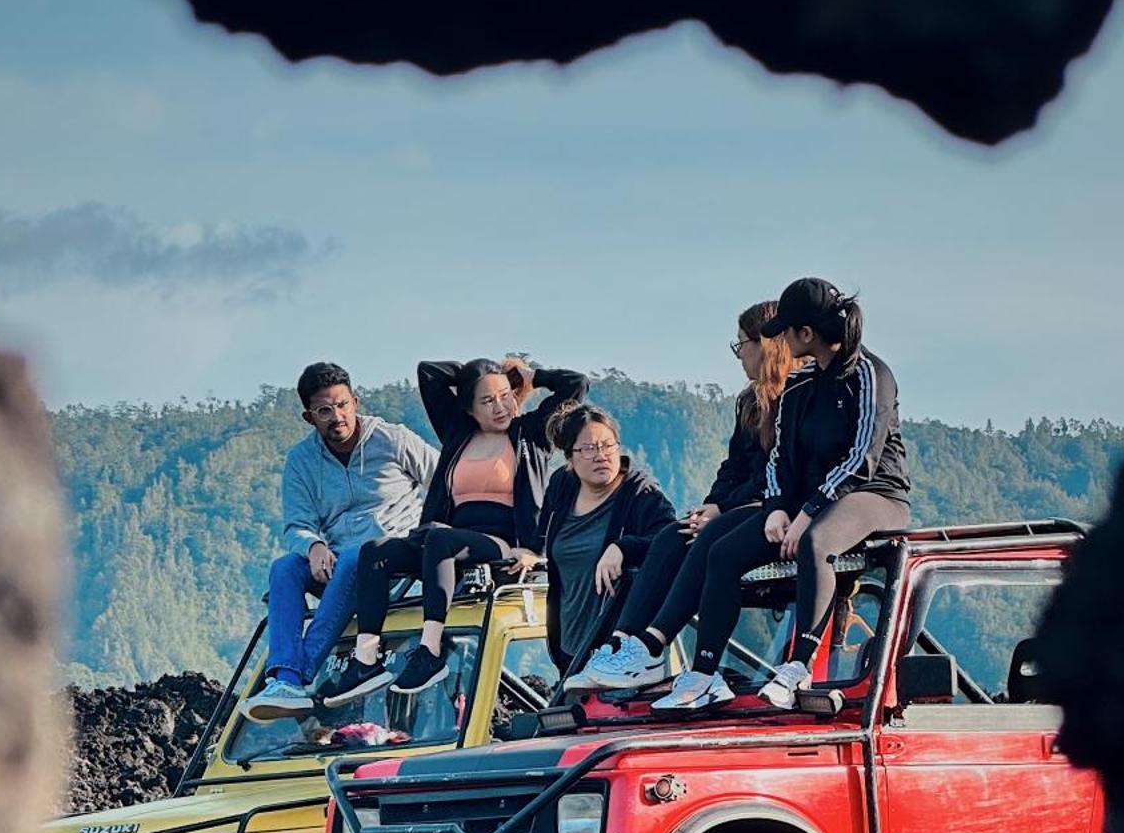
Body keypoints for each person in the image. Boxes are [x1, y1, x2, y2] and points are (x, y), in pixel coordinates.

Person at [648, 277, 911, 714]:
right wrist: (776, 509)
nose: (782, 342)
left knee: (817, 542)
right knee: (725, 552)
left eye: (786, 332)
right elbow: (780, 460)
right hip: (809, 501)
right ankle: (705, 674)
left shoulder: (871, 375)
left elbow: (862, 458)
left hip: (874, 494)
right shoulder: (800, 383)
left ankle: (798, 665)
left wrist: (807, 513)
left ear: (806, 334)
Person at [321, 354, 589, 705]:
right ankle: (366, 660)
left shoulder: (531, 433)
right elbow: (428, 372)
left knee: (438, 538)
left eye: (506, 395)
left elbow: (576, 384)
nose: (500, 407)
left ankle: (429, 651)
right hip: (445, 540)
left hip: (503, 544)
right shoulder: (457, 432)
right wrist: (479, 373)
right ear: (469, 409)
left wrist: (528, 375)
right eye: (487, 400)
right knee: (375, 552)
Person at [564, 300, 793, 694]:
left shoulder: (794, 397)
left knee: (710, 540)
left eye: (742, 346)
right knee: (675, 534)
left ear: (765, 345)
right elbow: (734, 465)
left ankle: (662, 647)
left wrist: (723, 509)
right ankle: (628, 643)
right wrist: (710, 504)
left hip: (771, 504)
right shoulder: (749, 402)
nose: (739, 357)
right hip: (736, 503)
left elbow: (772, 471)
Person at [244, 362, 438, 722]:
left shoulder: (393, 440)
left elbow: (444, 481)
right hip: (335, 560)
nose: (337, 416)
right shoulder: (301, 461)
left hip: (392, 555)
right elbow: (297, 524)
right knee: (284, 568)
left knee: (356, 557)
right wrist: (313, 546)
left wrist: (436, 536)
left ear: (355, 401)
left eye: (343, 404)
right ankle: (284, 679)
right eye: (324, 410)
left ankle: (301, 674)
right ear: (309, 416)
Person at [533, 405, 676, 671]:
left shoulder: (642, 495)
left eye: (608, 445)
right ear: (570, 457)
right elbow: (544, 537)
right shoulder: (562, 487)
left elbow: (671, 541)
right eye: (588, 449)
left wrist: (623, 548)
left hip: (621, 653)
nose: (601, 456)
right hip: (568, 647)